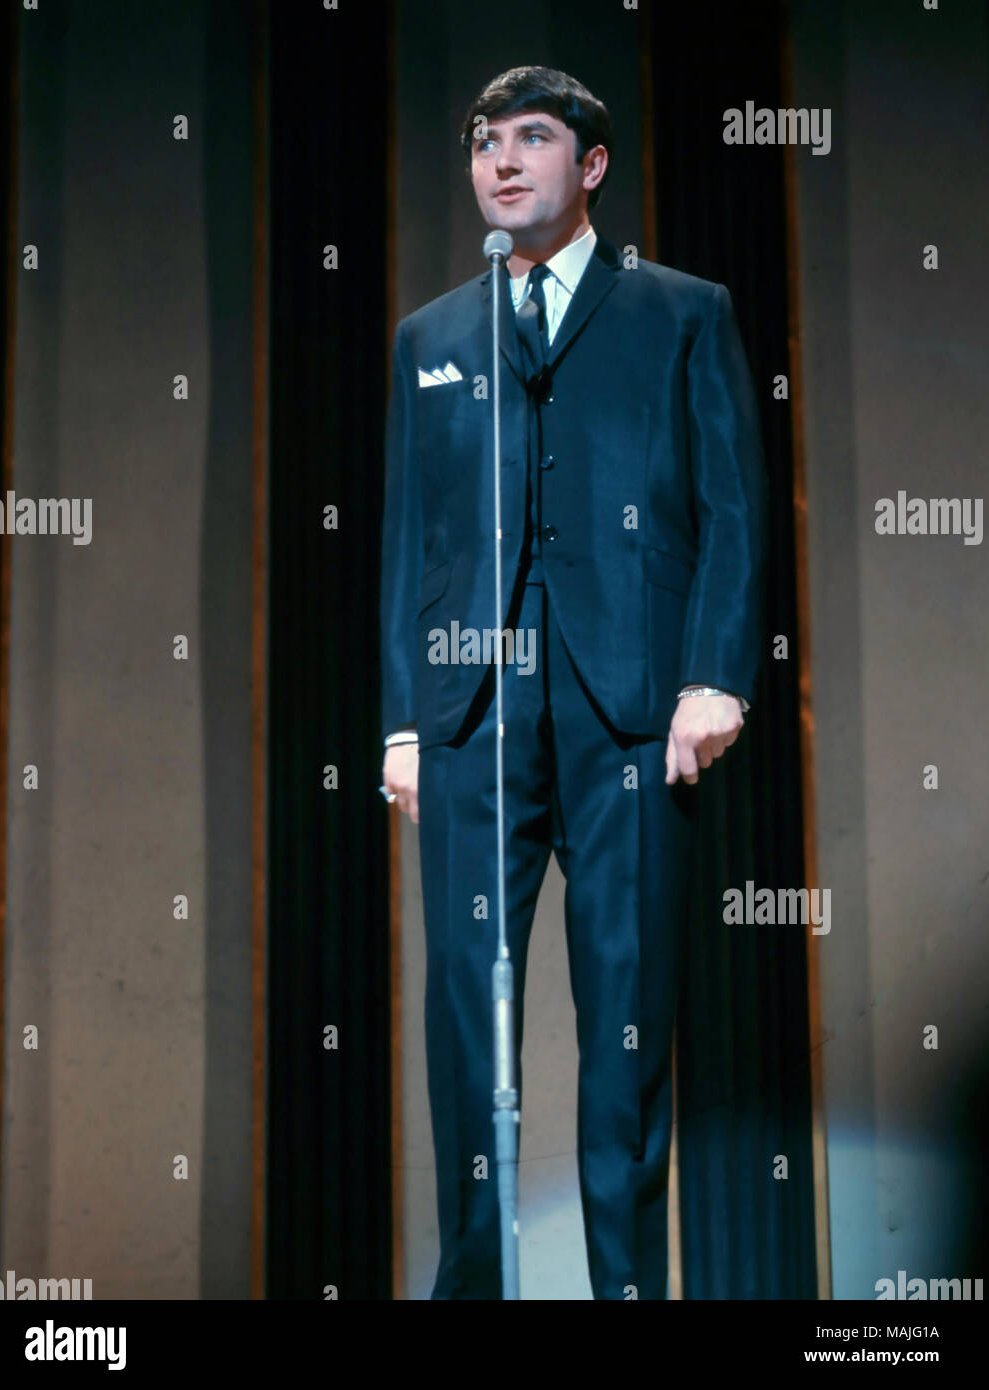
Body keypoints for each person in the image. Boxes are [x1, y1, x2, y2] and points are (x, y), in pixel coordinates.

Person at [380, 65, 767, 1299]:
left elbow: (731, 510)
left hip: (632, 717)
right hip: (472, 717)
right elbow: (410, 544)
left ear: (589, 166)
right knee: (467, 1030)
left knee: (625, 1035)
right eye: (484, 140)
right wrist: (400, 720)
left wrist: (716, 677)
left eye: (531, 138)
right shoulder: (431, 337)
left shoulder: (682, 310)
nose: (501, 159)